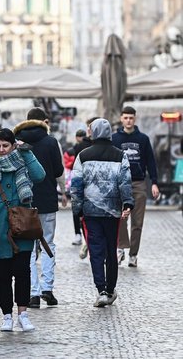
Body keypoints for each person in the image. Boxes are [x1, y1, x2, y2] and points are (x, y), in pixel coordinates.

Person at [0, 128, 45, 331]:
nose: (1, 150)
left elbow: (40, 175)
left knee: (22, 271)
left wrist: (26, 151)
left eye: (5, 146)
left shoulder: (21, 159)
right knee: (3, 274)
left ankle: (22, 313)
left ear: (13, 145)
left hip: (22, 224)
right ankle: (6, 315)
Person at [70, 118, 134, 307]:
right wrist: (127, 203)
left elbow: (76, 185)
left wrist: (77, 209)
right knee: (111, 250)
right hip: (112, 211)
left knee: (96, 251)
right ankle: (111, 288)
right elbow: (125, 182)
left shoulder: (83, 155)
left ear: (94, 133)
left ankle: (101, 289)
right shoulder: (120, 155)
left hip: (91, 211)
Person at [13, 107, 63, 309]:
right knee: (48, 243)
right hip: (48, 200)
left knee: (29, 249)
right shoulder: (51, 142)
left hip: (24, 201)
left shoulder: (16, 141)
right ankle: (47, 289)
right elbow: (59, 170)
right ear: (45, 121)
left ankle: (32, 293)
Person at [112, 106, 160, 267]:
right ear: (121, 118)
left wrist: (154, 182)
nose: (128, 120)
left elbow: (151, 162)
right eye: (125, 117)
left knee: (137, 222)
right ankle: (121, 248)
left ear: (135, 119)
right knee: (120, 218)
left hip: (139, 183)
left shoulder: (143, 139)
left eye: (131, 118)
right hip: (120, 183)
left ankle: (133, 254)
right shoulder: (114, 138)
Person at [73, 117, 99, 259]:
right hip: (87, 189)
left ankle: (88, 242)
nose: (89, 130)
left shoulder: (106, 146)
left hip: (96, 190)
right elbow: (76, 171)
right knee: (86, 220)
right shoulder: (81, 147)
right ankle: (86, 241)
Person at [70, 129, 87, 246]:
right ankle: (81, 233)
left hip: (79, 180)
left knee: (76, 208)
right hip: (86, 180)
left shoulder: (77, 147)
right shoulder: (86, 145)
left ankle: (78, 234)